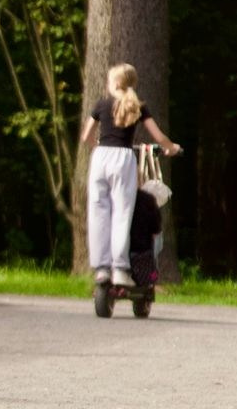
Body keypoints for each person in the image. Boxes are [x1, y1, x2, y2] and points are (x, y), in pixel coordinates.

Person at [78, 64, 182, 292]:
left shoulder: (101, 105)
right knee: (122, 214)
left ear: (114, 83)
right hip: (123, 159)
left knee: (99, 213)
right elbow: (159, 136)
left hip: (100, 158)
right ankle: (120, 269)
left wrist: (99, 145)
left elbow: (86, 137)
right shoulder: (138, 107)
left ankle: (101, 268)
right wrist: (171, 148)